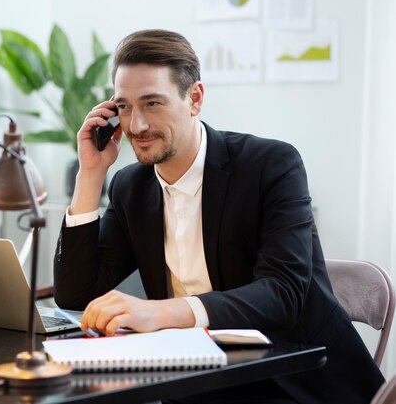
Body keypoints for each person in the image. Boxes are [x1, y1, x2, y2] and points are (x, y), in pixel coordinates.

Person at [52, 29, 384, 404]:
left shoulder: (271, 165)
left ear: (194, 99)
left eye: (153, 104)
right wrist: (90, 174)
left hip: (295, 380)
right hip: (196, 383)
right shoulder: (131, 187)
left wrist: (163, 313)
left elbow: (283, 293)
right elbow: (76, 293)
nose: (137, 126)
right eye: (125, 107)